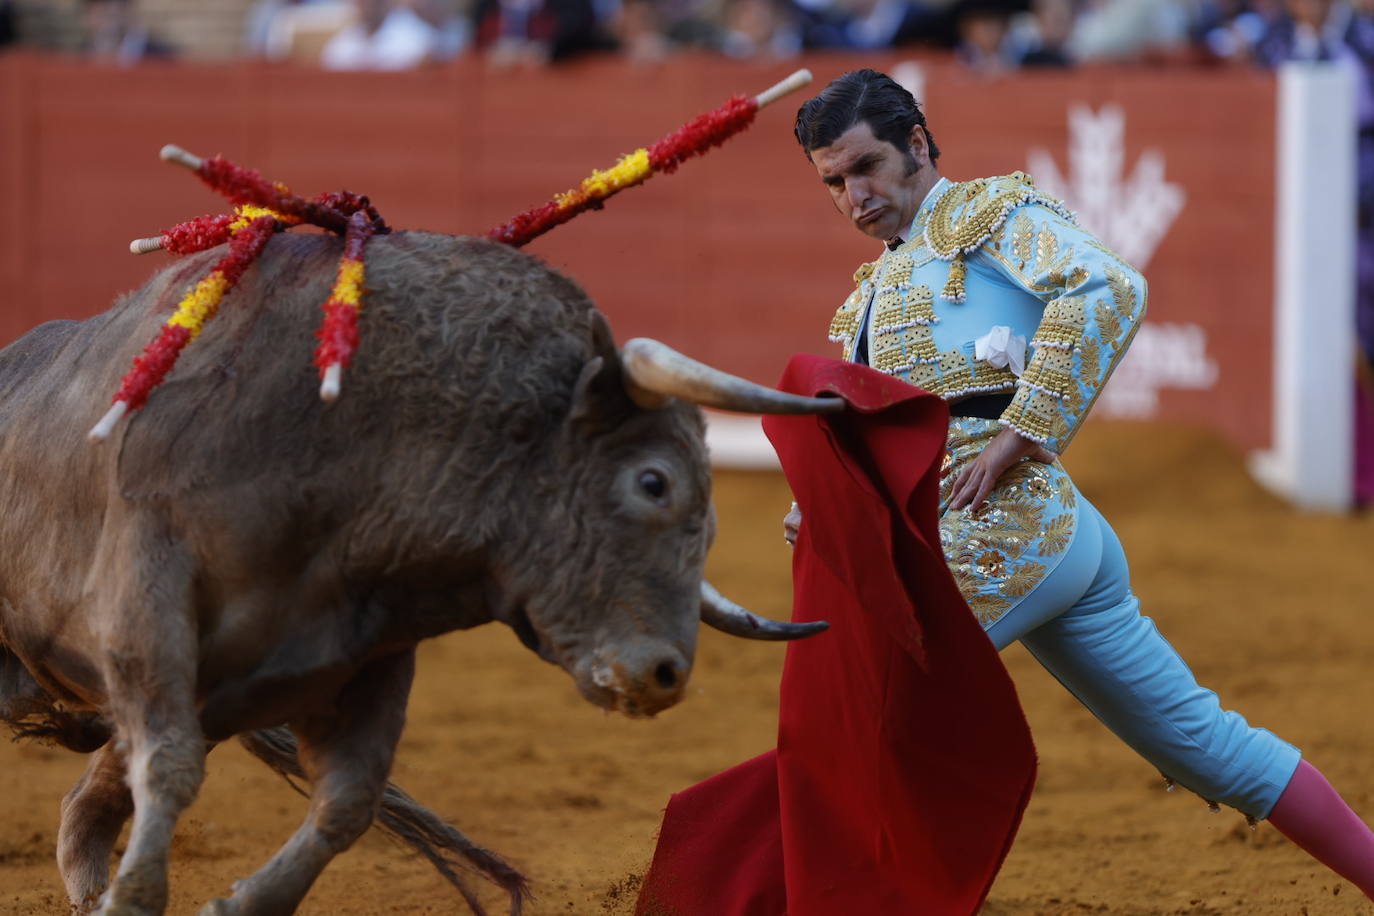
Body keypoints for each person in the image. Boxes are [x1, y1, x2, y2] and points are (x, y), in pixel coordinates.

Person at [784, 67, 1374, 901]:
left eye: (867, 167)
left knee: (852, 721)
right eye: (835, 183)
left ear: (916, 143)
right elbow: (883, 434)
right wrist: (818, 501)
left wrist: (1022, 430)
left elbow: (1108, 284)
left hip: (1005, 533)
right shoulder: (871, 294)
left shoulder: (989, 216)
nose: (856, 197)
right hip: (1048, 542)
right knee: (1206, 746)